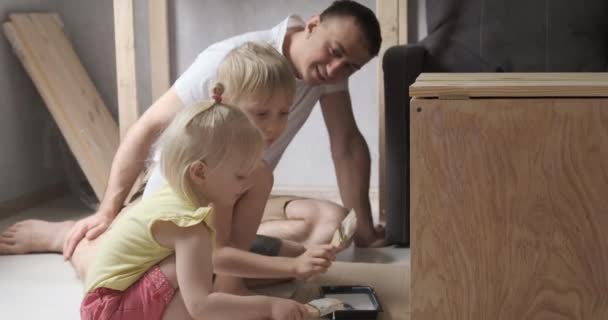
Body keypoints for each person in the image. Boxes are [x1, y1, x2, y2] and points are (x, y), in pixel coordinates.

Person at [1, 0, 385, 291]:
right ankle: (78, 237)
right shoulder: (231, 60)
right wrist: (107, 209)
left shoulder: (325, 76)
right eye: (335, 53)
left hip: (241, 188)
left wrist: (364, 229)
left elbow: (347, 143)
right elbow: (149, 126)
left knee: (330, 226)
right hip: (185, 197)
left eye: (350, 66)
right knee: (151, 278)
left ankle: (237, 250)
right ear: (313, 25)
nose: (337, 71)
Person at [81, 88, 326, 320]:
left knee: (196, 266)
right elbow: (201, 306)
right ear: (199, 173)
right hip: (110, 310)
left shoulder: (178, 193)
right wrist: (269, 306)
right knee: (194, 276)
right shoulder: (188, 225)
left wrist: (291, 267)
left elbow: (218, 262)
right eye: (239, 176)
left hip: (100, 304)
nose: (243, 186)